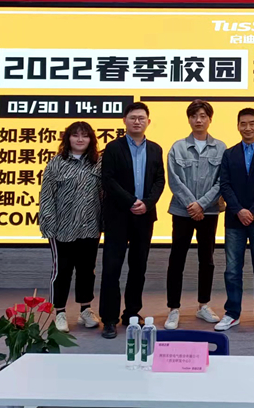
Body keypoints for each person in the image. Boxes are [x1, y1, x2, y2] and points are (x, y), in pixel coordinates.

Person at [99, 102, 165, 339]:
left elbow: (160, 180)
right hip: (118, 215)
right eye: (133, 117)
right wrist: (131, 201)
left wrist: (147, 203)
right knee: (112, 267)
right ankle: (109, 318)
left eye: (141, 118)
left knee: (138, 267)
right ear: (124, 121)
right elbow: (108, 180)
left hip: (144, 216)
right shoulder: (113, 148)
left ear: (148, 121)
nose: (137, 121)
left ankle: (132, 313)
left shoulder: (156, 149)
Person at [215, 108, 254, 332]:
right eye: (243, 123)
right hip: (235, 220)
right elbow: (224, 184)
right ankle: (232, 313)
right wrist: (239, 210)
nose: (248, 127)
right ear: (238, 126)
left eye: (252, 123)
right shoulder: (229, 154)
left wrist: (253, 210)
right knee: (232, 270)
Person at [164, 100, 226, 330]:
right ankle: (173, 308)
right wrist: (192, 205)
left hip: (209, 211)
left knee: (207, 259)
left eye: (203, 116)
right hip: (182, 211)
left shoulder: (220, 148)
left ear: (210, 119)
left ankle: (203, 305)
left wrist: (201, 204)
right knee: (177, 259)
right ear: (188, 119)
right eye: (194, 116)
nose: (198, 120)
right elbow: (174, 180)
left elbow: (222, 181)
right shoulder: (178, 147)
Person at [39, 121, 103, 334]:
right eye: (75, 135)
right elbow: (46, 196)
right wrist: (49, 224)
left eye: (85, 135)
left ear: (91, 139)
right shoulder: (56, 163)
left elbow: (104, 194)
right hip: (62, 229)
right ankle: (59, 312)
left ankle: (85, 309)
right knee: (62, 271)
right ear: (68, 139)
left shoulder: (97, 163)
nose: (80, 139)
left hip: (90, 227)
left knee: (87, 270)